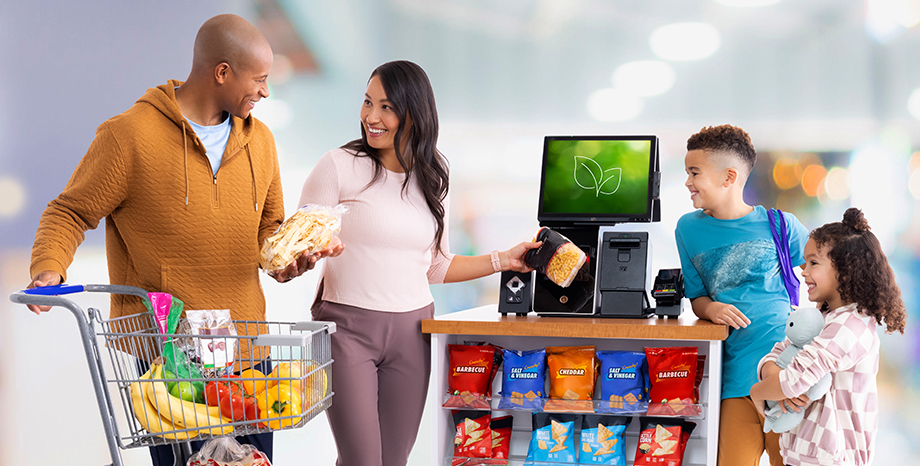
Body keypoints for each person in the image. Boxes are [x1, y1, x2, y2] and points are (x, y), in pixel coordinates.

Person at [25, 14, 335, 465]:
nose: (266, 91)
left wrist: (293, 261)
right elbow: (70, 209)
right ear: (222, 72)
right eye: (260, 79)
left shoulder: (262, 142)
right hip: (169, 359)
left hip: (247, 353)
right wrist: (48, 267)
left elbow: (269, 237)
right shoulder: (128, 135)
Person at [297, 60, 540, 466]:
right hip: (346, 329)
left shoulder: (433, 174)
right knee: (362, 461)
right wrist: (306, 255)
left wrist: (503, 260)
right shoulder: (337, 166)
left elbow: (435, 266)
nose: (371, 117)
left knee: (393, 461)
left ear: (414, 113)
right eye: (367, 102)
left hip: (412, 332)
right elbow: (297, 246)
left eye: (387, 107)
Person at [674, 124, 808, 466]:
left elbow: (827, 276)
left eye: (694, 173)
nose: (688, 182)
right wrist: (711, 308)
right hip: (734, 380)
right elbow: (697, 297)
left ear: (729, 177)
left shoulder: (781, 226)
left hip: (787, 378)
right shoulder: (688, 229)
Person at [751, 208, 906, 466]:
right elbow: (778, 354)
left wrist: (757, 392)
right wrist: (774, 375)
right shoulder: (821, 317)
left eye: (813, 263)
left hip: (833, 460)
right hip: (805, 455)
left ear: (844, 271)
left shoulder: (850, 325)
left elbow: (793, 380)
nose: (803, 271)